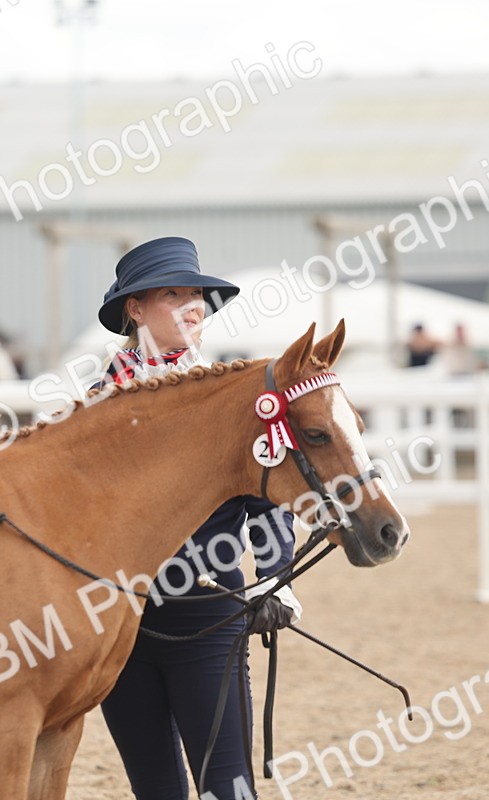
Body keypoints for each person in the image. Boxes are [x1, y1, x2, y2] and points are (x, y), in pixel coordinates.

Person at [94, 236, 302, 800]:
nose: (193, 305)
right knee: (155, 791)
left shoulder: (230, 400)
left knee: (228, 789)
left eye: (197, 295)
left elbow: (267, 496)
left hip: (208, 616)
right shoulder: (97, 405)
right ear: (134, 308)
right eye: (173, 293)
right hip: (121, 623)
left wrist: (275, 576)